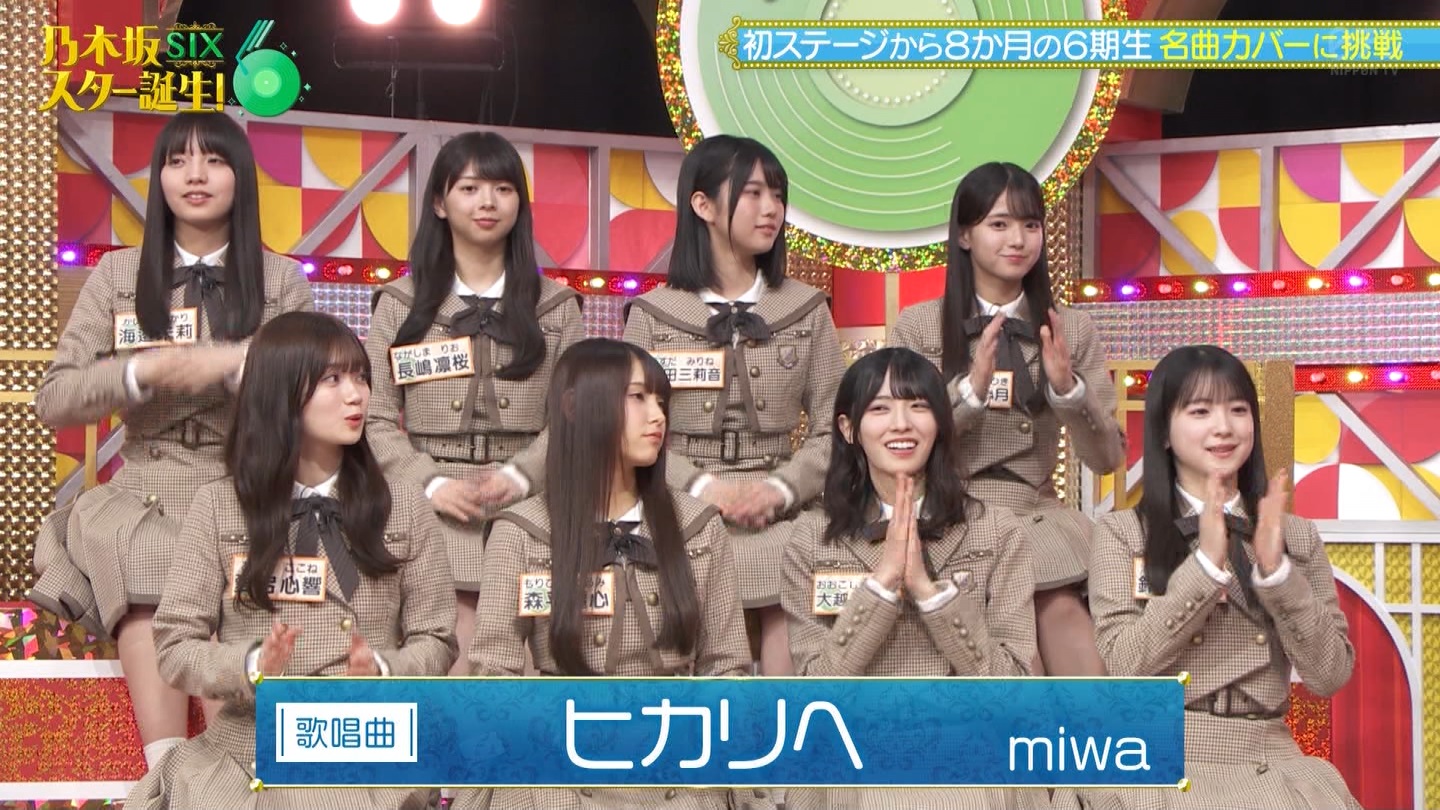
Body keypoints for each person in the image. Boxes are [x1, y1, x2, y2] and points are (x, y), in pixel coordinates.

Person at [29, 111, 314, 769]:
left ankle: (227, 772)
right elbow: (55, 398)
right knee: (146, 556)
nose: (194, 175)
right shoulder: (117, 275)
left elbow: (313, 394)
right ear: (158, 178)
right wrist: (142, 371)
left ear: (240, 178)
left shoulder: (281, 281)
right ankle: (167, 771)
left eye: (213, 160)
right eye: (177, 160)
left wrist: (237, 366)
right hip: (143, 486)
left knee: (223, 575)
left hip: (242, 483)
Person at [125, 311, 457, 810]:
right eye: (333, 379)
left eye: (361, 377)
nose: (356, 395)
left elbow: (437, 638)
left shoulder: (404, 505)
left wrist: (384, 670)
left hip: (367, 746)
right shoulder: (219, 505)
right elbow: (175, 645)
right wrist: (252, 665)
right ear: (280, 391)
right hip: (248, 751)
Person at [457, 338, 771, 810]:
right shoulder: (522, 531)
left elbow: (726, 668)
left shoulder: (699, 527)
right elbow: (491, 675)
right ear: (575, 407)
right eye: (638, 397)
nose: (658, 416)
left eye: (661, 400)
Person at [1063, 344, 1359, 809]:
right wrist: (1204, 567)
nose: (1224, 427)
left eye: (1238, 410)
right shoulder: (1123, 533)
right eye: (1200, 411)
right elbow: (1123, 666)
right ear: (1163, 431)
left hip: (1267, 759)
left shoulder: (1296, 536)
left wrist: (1277, 574)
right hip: (1155, 758)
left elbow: (1329, 675)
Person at [888, 161, 1126, 676]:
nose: (1018, 240)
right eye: (999, 224)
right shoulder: (919, 326)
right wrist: (968, 394)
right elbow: (896, 442)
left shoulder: (1071, 329)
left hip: (1035, 513)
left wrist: (1068, 391)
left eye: (1030, 224)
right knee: (1005, 659)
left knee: (1074, 642)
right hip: (947, 515)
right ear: (965, 235)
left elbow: (1107, 458)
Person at [782, 348, 1046, 810]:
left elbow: (1015, 690)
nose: (901, 424)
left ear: (940, 423)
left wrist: (929, 593)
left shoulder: (997, 530)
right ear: (848, 428)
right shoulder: (810, 540)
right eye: (880, 409)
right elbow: (814, 694)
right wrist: (882, 584)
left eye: (918, 406)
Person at [622, 135, 845, 676]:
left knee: (797, 584)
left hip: (783, 508)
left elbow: (837, 427)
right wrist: (706, 489)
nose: (772, 209)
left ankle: (786, 723)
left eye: (778, 195)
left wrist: (781, 489)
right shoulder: (653, 313)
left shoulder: (806, 309)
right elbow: (626, 429)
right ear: (702, 205)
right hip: (676, 503)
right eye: (752, 193)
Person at [366, 131, 584, 673]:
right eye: (469, 188)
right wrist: (430, 484)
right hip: (426, 504)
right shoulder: (399, 303)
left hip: (533, 504)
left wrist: (520, 476)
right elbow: (373, 416)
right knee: (446, 661)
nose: (488, 202)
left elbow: (576, 415)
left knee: (531, 667)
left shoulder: (557, 306)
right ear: (440, 203)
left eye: (503, 189)